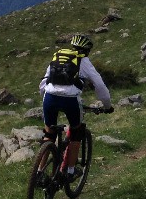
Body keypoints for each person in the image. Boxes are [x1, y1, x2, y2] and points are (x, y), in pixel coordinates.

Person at [38, 33, 113, 179]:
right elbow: (100, 85)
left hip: (50, 97)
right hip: (70, 100)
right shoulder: (83, 61)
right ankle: (70, 172)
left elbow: (45, 81)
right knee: (76, 132)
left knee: (49, 134)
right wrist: (107, 105)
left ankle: (39, 173)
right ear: (87, 51)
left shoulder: (58, 56)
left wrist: (45, 97)